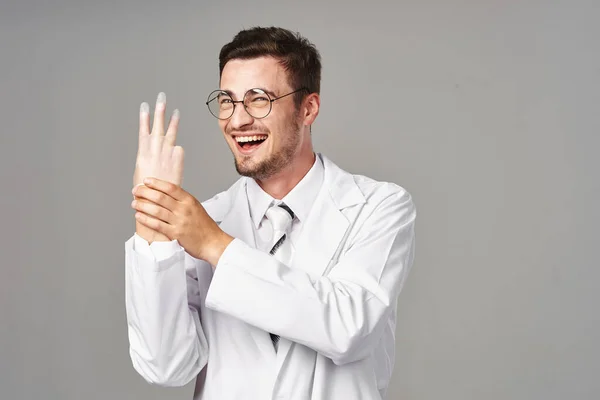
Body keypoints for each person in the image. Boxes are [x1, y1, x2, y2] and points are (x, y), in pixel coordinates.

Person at [125, 26, 416, 400]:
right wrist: (154, 228)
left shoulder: (379, 206)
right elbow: (166, 366)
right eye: (226, 100)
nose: (237, 120)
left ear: (307, 108)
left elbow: (349, 328)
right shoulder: (202, 220)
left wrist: (216, 245)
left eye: (258, 99)